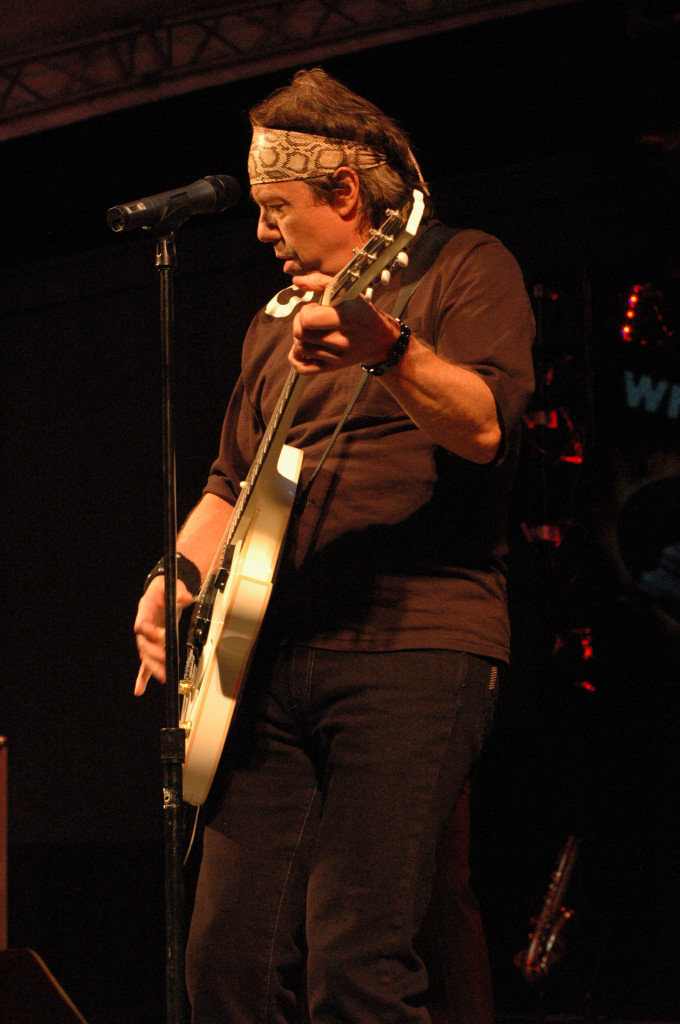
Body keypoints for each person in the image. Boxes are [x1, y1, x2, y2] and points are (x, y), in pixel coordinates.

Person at [134, 68, 535, 1024]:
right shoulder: (271, 325)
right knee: (225, 965)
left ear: (345, 194)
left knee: (357, 964)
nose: (261, 231)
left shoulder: (465, 266)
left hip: (413, 645)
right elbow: (229, 485)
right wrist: (173, 576)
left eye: (276, 207)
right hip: (267, 661)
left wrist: (386, 349)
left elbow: (484, 424)